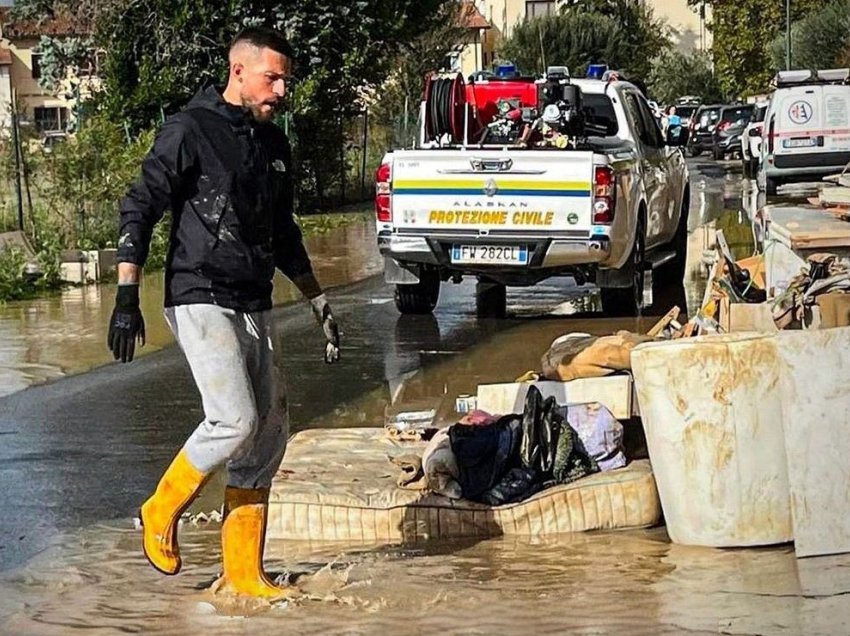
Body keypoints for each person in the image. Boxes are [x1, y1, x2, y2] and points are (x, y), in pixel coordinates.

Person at [106, 26, 340, 600]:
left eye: (286, 78)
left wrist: (318, 301)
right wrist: (126, 294)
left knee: (269, 433)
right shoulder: (190, 129)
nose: (283, 89)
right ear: (239, 72)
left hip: (254, 298)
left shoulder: (272, 146)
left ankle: (243, 576)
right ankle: (160, 510)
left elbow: (284, 233)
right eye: (273, 77)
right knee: (234, 420)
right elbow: (140, 206)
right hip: (199, 291)